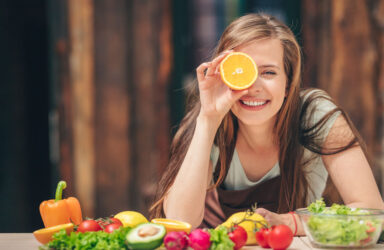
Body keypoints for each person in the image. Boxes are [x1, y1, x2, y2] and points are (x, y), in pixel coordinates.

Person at [149, 13, 384, 235]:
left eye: (268, 72)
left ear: (288, 82)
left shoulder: (314, 114)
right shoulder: (209, 121)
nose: (253, 87)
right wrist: (208, 119)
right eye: (242, 72)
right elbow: (180, 221)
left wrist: (290, 223)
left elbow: (373, 212)